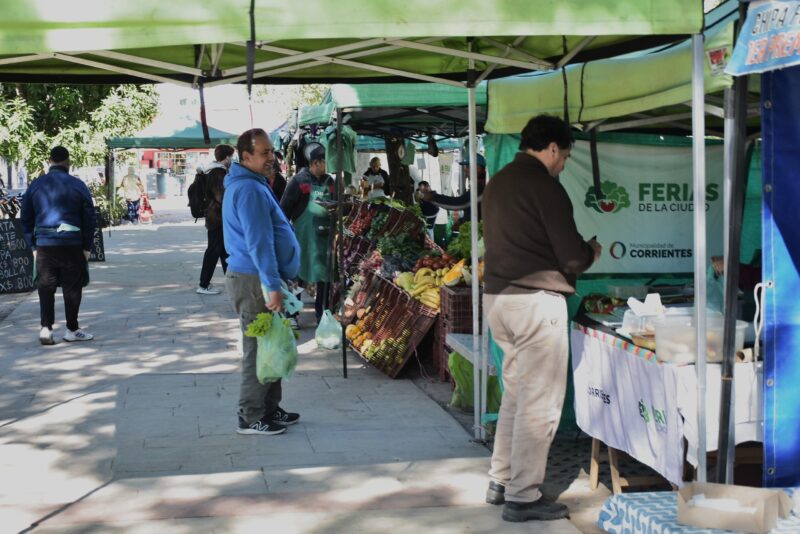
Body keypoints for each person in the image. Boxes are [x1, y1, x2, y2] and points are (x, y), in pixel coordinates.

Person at [481, 115, 601, 523]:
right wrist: (590, 252)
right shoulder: (545, 186)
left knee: (516, 395)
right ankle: (523, 495)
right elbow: (570, 257)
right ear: (551, 148)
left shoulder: (498, 182)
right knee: (541, 403)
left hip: (498, 300)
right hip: (535, 303)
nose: (563, 164)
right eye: (564, 156)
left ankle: (501, 478)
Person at [223, 128, 301, 436]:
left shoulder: (252, 184)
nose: (272, 157)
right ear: (246, 157)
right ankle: (250, 415)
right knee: (258, 348)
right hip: (253, 279)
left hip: (258, 277)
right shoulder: (250, 189)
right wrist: (270, 284)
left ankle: (269, 408)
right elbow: (259, 242)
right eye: (265, 153)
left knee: (273, 345)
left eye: (272, 151)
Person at [20, 146, 97, 345]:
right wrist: (87, 247)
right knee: (72, 287)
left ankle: (46, 328)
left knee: (46, 286)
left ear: (49, 160)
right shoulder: (78, 185)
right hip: (72, 243)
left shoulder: (36, 185)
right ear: (68, 162)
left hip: (45, 243)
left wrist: (33, 246)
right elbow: (89, 218)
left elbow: (26, 217)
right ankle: (71, 329)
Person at [281, 142, 336, 325]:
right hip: (303, 238)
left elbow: (335, 203)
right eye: (325, 162)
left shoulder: (330, 181)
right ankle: (292, 313)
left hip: (325, 237)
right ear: (315, 163)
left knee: (324, 278)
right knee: (298, 276)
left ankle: (322, 314)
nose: (327, 166)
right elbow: (284, 211)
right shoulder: (299, 181)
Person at [197, 144, 234, 295]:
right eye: (231, 156)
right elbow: (221, 197)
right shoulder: (219, 173)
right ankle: (203, 284)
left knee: (224, 252)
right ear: (226, 157)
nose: (232, 159)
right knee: (214, 251)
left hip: (216, 218)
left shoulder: (216, 171)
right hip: (218, 219)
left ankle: (232, 283)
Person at [419, 153, 487, 227]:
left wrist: (433, 197)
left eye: (467, 166)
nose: (465, 170)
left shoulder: (481, 187)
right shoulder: (479, 184)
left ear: (478, 168)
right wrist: (463, 220)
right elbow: (474, 209)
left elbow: (459, 203)